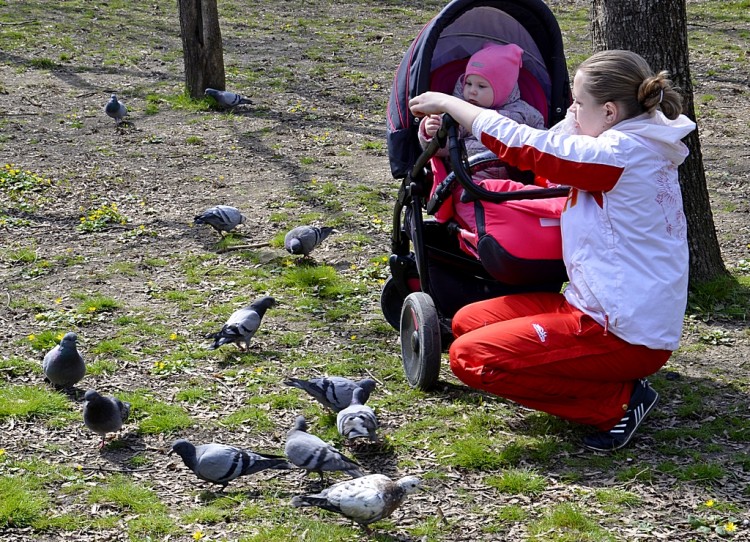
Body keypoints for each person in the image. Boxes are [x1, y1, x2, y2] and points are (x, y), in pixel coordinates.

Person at [408, 49, 696, 451]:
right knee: (466, 322)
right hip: (597, 307)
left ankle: (617, 404)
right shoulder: (633, 137)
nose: (572, 113)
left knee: (471, 358)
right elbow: (555, 142)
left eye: (578, 104)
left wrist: (454, 103)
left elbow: (528, 147)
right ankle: (603, 376)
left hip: (621, 332)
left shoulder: (616, 157)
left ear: (610, 112)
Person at [417, 42, 545, 159]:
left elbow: (541, 140)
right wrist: (433, 132)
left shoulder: (526, 113)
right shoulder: (459, 112)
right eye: (468, 83)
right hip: (470, 174)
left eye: (481, 86)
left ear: (504, 90)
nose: (472, 90)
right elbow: (443, 149)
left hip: (517, 174)